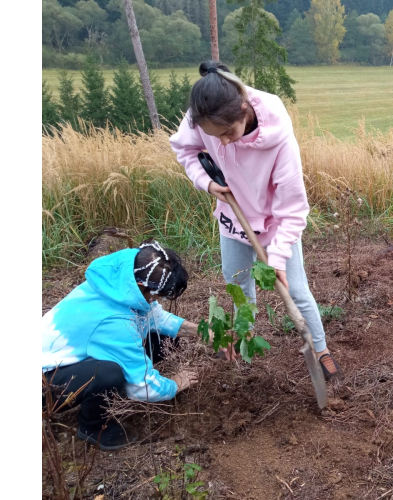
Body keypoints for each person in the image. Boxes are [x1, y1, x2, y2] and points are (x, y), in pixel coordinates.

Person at [169, 61, 341, 380]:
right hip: (234, 219)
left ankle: (320, 349)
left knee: (297, 291)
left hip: (276, 227)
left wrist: (275, 258)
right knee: (238, 283)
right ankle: (245, 335)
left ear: (244, 109)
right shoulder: (202, 118)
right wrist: (205, 182)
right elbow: (185, 150)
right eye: (213, 136)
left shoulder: (279, 140)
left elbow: (293, 208)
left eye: (227, 133)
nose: (221, 143)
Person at [42, 241, 202, 450]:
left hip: (72, 357)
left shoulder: (119, 282)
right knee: (108, 373)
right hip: (44, 382)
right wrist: (175, 384)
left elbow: (156, 318)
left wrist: (206, 331)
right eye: (158, 296)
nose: (158, 301)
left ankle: (117, 382)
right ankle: (94, 428)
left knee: (164, 340)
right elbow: (143, 388)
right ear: (144, 287)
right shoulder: (116, 322)